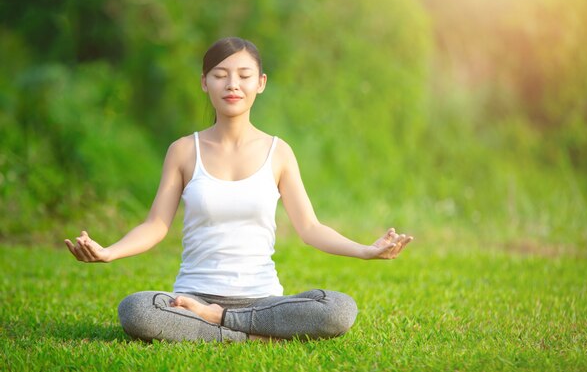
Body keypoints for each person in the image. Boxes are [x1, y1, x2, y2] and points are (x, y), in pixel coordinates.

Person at [64, 37, 413, 342]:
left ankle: (220, 325)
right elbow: (156, 225)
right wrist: (110, 252)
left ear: (260, 83)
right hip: (192, 299)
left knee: (339, 309)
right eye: (220, 75)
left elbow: (310, 228)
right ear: (204, 82)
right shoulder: (184, 150)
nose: (233, 84)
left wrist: (365, 251)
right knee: (137, 310)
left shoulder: (279, 152)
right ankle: (253, 336)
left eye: (244, 76)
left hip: (262, 301)